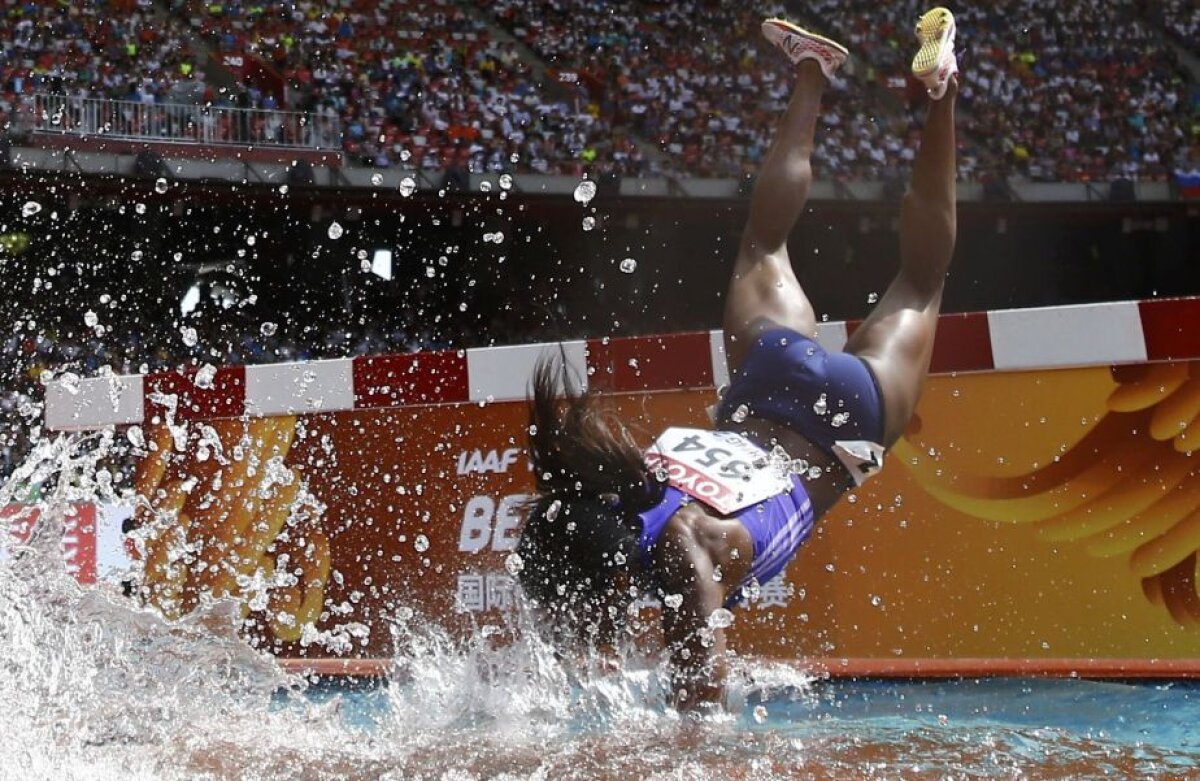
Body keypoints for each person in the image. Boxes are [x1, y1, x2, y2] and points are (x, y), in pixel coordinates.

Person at [516, 8, 961, 712]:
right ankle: (814, 69)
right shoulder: (607, 498)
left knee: (921, 282)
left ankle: (943, 94)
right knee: (762, 241)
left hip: (845, 425)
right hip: (769, 379)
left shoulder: (682, 557)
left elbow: (702, 721)